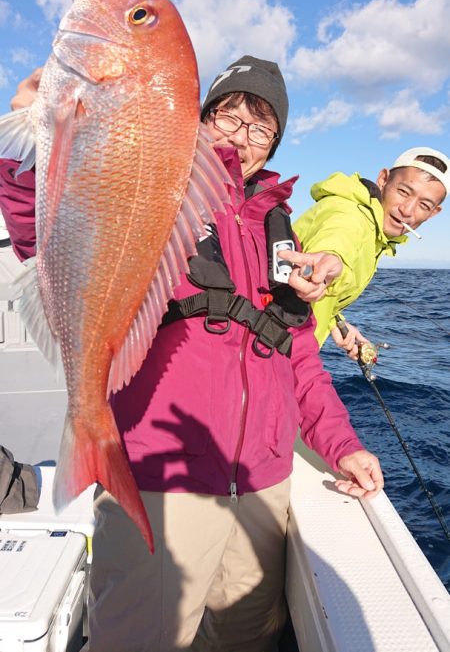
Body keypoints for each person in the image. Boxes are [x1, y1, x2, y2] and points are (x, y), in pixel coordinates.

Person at [1, 56, 383, 652]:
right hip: (163, 479)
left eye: (262, 128)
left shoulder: (280, 226)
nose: (242, 136)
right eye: (229, 116)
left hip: (261, 485)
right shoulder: (154, 188)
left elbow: (300, 357)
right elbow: (50, 235)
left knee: (244, 640)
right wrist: (34, 134)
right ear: (201, 119)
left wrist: (343, 445)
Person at [291, 150, 448, 358]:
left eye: (424, 205)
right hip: (271, 351)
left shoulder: (376, 235)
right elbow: (338, 239)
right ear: (383, 180)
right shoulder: (351, 214)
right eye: (403, 192)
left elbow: (322, 293)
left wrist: (334, 321)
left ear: (433, 213)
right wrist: (330, 261)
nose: (408, 210)